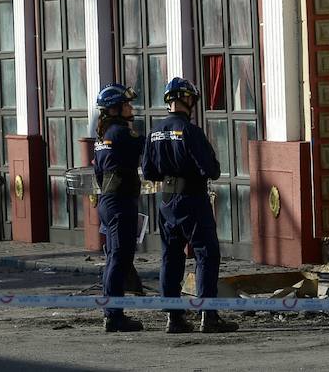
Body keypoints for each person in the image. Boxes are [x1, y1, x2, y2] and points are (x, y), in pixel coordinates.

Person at [143, 76, 235, 335]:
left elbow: (148, 171)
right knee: (206, 254)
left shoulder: (154, 132)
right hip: (193, 199)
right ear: (187, 99)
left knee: (170, 258)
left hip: (166, 201)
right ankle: (209, 315)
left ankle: (173, 318)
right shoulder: (190, 131)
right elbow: (211, 170)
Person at [92, 82, 145, 333]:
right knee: (120, 258)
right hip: (120, 202)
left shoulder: (102, 136)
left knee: (114, 257)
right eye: (127, 104)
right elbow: (147, 150)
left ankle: (112, 311)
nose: (131, 107)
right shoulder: (122, 133)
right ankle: (114, 314)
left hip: (108, 199)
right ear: (115, 108)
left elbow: (98, 173)